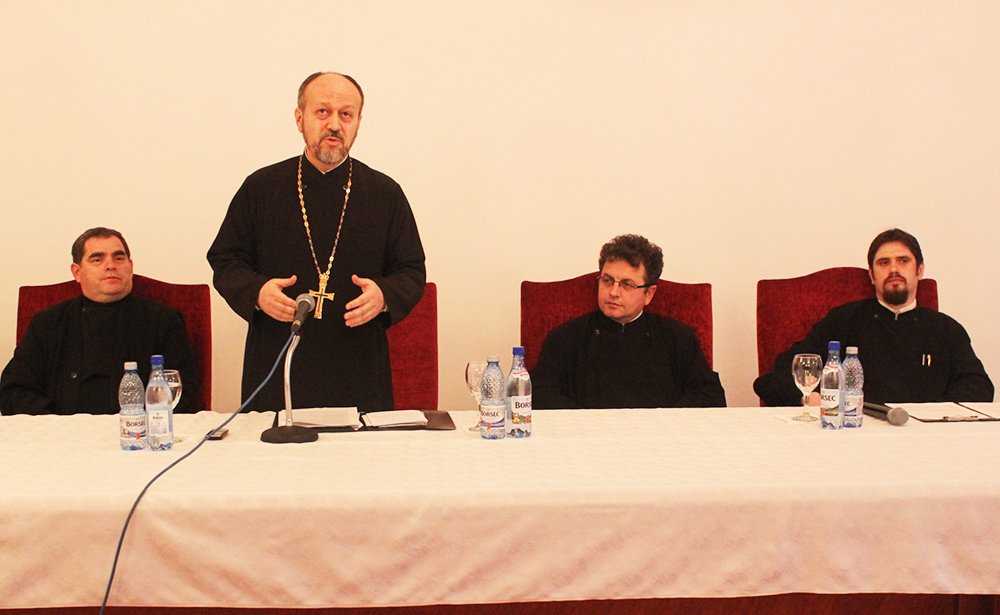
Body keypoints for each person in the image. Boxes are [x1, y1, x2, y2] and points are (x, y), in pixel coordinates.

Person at [207, 72, 425, 412]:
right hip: (278, 360)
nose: (334, 124)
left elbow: (411, 270)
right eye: (323, 112)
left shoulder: (385, 194)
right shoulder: (261, 188)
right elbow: (226, 260)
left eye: (346, 114)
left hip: (358, 365)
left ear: (358, 123)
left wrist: (384, 295)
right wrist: (257, 291)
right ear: (300, 118)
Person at [754, 228, 994, 406]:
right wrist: (809, 398)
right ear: (872, 275)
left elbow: (978, 387)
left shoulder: (946, 329)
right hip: (852, 436)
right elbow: (786, 371)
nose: (893, 269)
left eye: (903, 261)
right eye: (883, 263)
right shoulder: (844, 320)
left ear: (919, 270)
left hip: (927, 441)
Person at [0, 227, 198, 415]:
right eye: (97, 259)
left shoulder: (164, 322)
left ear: (130, 267)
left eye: (119, 258)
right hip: (62, 433)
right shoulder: (47, 324)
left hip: (138, 433)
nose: (111, 265)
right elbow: (14, 391)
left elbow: (182, 394)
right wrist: (56, 424)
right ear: (77, 272)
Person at [530, 234, 726, 409]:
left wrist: (666, 421)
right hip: (587, 435)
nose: (613, 292)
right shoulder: (565, 338)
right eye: (607, 280)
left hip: (660, 435)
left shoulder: (677, 337)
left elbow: (710, 395)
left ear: (649, 294)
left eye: (626, 284)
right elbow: (540, 394)